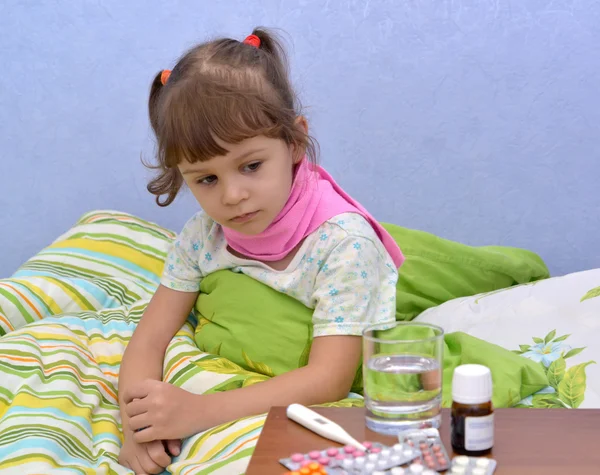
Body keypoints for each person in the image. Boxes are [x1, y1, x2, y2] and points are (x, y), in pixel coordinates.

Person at [117, 27, 404, 474]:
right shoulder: (201, 235)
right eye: (205, 179)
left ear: (294, 142)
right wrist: (138, 428)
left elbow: (330, 378)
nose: (232, 196)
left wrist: (199, 410)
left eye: (251, 166)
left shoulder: (345, 244)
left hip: (341, 252)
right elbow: (149, 339)